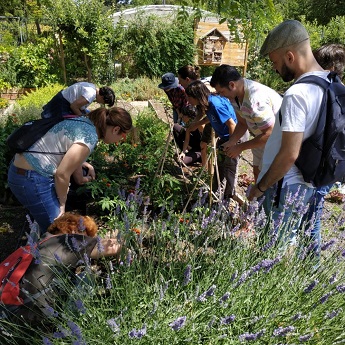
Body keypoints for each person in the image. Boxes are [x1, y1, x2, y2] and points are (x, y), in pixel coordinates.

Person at [248, 20, 330, 247]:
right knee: (297, 241)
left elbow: (289, 154)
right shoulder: (330, 83)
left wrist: (260, 187)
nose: (274, 68)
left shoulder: (297, 93)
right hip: (309, 183)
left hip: (285, 186)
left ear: (290, 56)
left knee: (270, 250)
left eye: (275, 61)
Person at [8, 107, 133, 234]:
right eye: (123, 135)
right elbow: (62, 174)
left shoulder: (84, 121)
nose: (122, 139)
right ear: (116, 129)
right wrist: (62, 204)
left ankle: (35, 246)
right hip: (32, 179)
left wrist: (82, 162)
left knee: (44, 225)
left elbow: (66, 147)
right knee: (58, 230)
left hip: (20, 172)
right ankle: (38, 251)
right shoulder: (89, 137)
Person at [0, 212, 122, 334]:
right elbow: (110, 246)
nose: (86, 240)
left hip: (7, 314)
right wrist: (128, 243)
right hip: (24, 321)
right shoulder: (63, 242)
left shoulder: (37, 245)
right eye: (85, 234)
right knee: (86, 277)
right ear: (73, 229)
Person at [304, 43, 345, 255]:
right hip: (334, 164)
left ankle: (312, 264)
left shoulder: (328, 93)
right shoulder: (340, 91)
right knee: (311, 215)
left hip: (321, 165)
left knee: (312, 216)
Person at [210, 65, 281, 182]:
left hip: (276, 141)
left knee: (268, 179)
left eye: (221, 91)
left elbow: (270, 134)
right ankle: (258, 199)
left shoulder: (255, 100)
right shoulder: (234, 96)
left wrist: (240, 147)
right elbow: (243, 123)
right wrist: (232, 142)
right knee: (257, 172)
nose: (221, 95)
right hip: (260, 137)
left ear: (232, 85)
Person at [185, 80, 238, 199]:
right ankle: (215, 195)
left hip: (234, 136)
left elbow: (232, 125)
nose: (188, 101)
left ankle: (229, 198)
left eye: (189, 97)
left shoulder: (215, 104)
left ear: (196, 96)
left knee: (230, 169)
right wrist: (197, 123)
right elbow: (210, 118)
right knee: (220, 168)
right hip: (226, 137)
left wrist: (232, 144)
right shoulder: (208, 104)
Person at [41, 82, 116, 118]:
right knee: (53, 123)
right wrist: (82, 117)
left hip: (64, 99)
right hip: (62, 103)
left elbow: (79, 106)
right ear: (102, 97)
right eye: (104, 102)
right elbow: (73, 106)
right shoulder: (91, 94)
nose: (102, 103)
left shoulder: (92, 87)